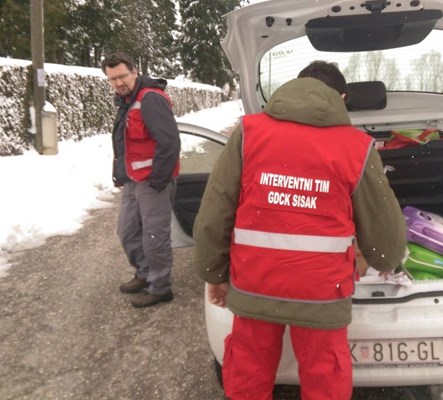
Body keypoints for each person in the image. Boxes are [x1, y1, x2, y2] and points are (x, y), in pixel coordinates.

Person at [193, 61, 406, 399]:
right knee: (325, 378)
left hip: (255, 284)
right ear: (342, 97)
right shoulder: (356, 147)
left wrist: (213, 272)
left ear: (295, 86)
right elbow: (384, 233)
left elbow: (215, 210)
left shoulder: (249, 133)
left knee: (248, 373)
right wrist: (386, 258)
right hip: (322, 293)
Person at [101, 52, 181, 308]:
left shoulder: (150, 100)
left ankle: (160, 287)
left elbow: (170, 143)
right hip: (134, 180)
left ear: (134, 71)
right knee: (127, 231)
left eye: (122, 76)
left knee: (154, 236)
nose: (118, 83)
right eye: (112, 79)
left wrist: (159, 180)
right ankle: (145, 273)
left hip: (154, 181)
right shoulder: (127, 101)